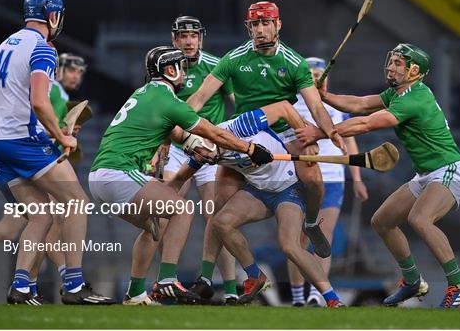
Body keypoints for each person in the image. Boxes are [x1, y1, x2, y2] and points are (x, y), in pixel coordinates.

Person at [88, 46, 273, 305]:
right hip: (119, 173)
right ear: (170, 70)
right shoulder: (169, 101)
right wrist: (250, 149)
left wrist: (192, 149)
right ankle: (166, 280)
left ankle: (135, 292)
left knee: (157, 224)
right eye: (180, 67)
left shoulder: (145, 93)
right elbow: (214, 133)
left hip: (100, 178)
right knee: (183, 210)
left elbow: (172, 131)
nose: (184, 73)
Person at [185, 1, 346, 298]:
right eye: (255, 24)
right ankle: (207, 280)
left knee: (312, 179)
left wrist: (329, 131)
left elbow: (314, 106)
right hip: (248, 131)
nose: (260, 30)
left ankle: (311, 222)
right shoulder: (234, 59)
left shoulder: (294, 62)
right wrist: (172, 125)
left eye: (265, 23)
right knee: (218, 207)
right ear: (249, 27)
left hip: (284, 130)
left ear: (278, 25)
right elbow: (199, 97)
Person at [295, 43, 460, 308]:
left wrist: (321, 132)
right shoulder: (397, 93)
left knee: (420, 219)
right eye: (392, 61)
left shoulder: (414, 98)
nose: (391, 66)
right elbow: (361, 104)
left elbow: (366, 123)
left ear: (414, 71)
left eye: (399, 63)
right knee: (382, 221)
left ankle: (458, 284)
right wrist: (326, 96)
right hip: (425, 174)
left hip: (449, 170)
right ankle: (412, 281)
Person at [0, 0, 114, 305]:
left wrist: (16, 107)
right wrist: (63, 136)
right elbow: (39, 101)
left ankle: (21, 287)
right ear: (52, 16)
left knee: (41, 216)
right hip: (24, 142)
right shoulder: (43, 49)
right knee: (77, 201)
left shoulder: (5, 44)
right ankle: (75, 286)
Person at [168, 101, 338, 305]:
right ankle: (255, 276)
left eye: (199, 150)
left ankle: (332, 299)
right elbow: (178, 179)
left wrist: (308, 140)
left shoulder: (240, 126)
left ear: (207, 137)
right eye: (193, 153)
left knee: (290, 246)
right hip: (258, 190)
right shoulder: (204, 154)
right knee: (221, 222)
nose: (200, 157)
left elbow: (284, 107)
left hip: (289, 188)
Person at [127, 16, 239, 306]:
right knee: (165, 212)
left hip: (210, 145)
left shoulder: (216, 64)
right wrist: (160, 146)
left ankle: (229, 289)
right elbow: (156, 111)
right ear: (174, 39)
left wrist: (232, 137)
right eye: (183, 36)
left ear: (201, 38)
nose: (189, 41)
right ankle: (164, 281)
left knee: (215, 216)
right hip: (176, 147)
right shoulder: (164, 65)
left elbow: (236, 102)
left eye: (193, 36)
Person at [287, 57, 369, 308]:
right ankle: (298, 296)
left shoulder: (335, 106)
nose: (314, 78)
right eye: (310, 74)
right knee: (297, 239)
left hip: (333, 178)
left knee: (324, 237)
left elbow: (350, 139)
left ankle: (317, 292)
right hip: (303, 178)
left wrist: (356, 177)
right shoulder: (293, 104)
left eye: (318, 74)